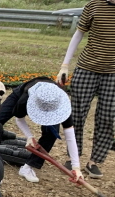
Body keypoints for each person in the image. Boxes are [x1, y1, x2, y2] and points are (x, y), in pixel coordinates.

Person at [56, 0, 115, 179]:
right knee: (77, 114)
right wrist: (65, 65)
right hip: (86, 68)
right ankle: (72, 156)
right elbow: (79, 34)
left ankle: (94, 162)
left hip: (113, 72)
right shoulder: (94, 5)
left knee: (108, 116)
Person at [0, 77, 82, 183]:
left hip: (52, 104)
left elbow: (70, 135)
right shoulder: (25, 98)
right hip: (23, 92)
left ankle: (28, 167)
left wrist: (76, 167)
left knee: (51, 134)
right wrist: (29, 136)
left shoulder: (61, 104)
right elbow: (19, 118)